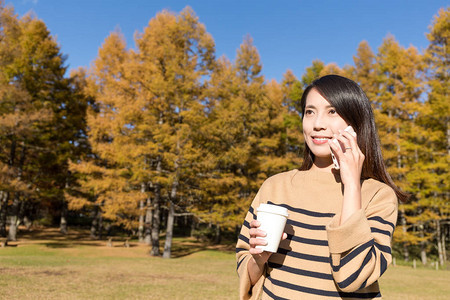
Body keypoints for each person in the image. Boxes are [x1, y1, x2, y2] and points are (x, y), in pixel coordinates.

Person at [236, 75, 407, 299]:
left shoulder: (377, 195)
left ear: (355, 123)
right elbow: (245, 267)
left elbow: (352, 277)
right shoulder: (274, 186)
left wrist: (352, 184)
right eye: (310, 112)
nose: (317, 124)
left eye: (332, 111)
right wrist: (259, 259)